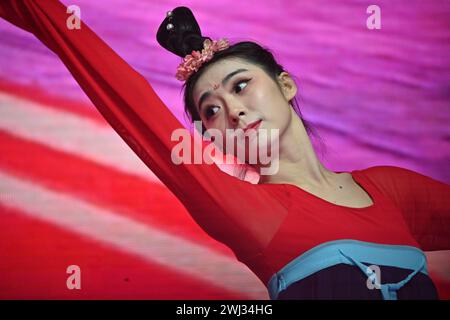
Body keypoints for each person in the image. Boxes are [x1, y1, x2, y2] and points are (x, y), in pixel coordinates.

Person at [1, 1, 449, 300]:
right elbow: (128, 98)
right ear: (208, 135)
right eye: (211, 110)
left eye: (241, 86)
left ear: (285, 84)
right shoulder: (248, 211)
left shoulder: (391, 190)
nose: (232, 110)